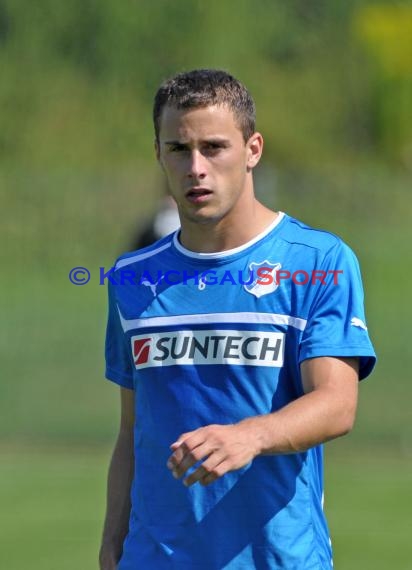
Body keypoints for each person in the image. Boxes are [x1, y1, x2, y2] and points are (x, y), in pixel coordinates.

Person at [99, 69, 376, 570]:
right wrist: (113, 540)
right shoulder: (130, 278)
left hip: (278, 558)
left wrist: (248, 435)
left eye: (215, 147)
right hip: (154, 558)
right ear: (159, 154)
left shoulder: (317, 261)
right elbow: (132, 427)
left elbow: (337, 404)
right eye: (179, 149)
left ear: (253, 150)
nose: (196, 168)